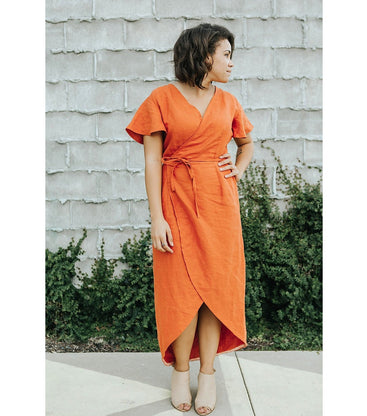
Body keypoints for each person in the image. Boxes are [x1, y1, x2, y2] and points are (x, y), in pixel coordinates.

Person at [126, 23, 254, 415]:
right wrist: (157, 218)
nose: (231, 62)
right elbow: (152, 161)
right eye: (226, 54)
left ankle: (208, 372)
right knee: (180, 290)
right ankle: (181, 371)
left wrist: (236, 169)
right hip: (176, 201)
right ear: (203, 55)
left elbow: (246, 143)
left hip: (219, 205)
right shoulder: (161, 99)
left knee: (216, 289)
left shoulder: (229, 102)